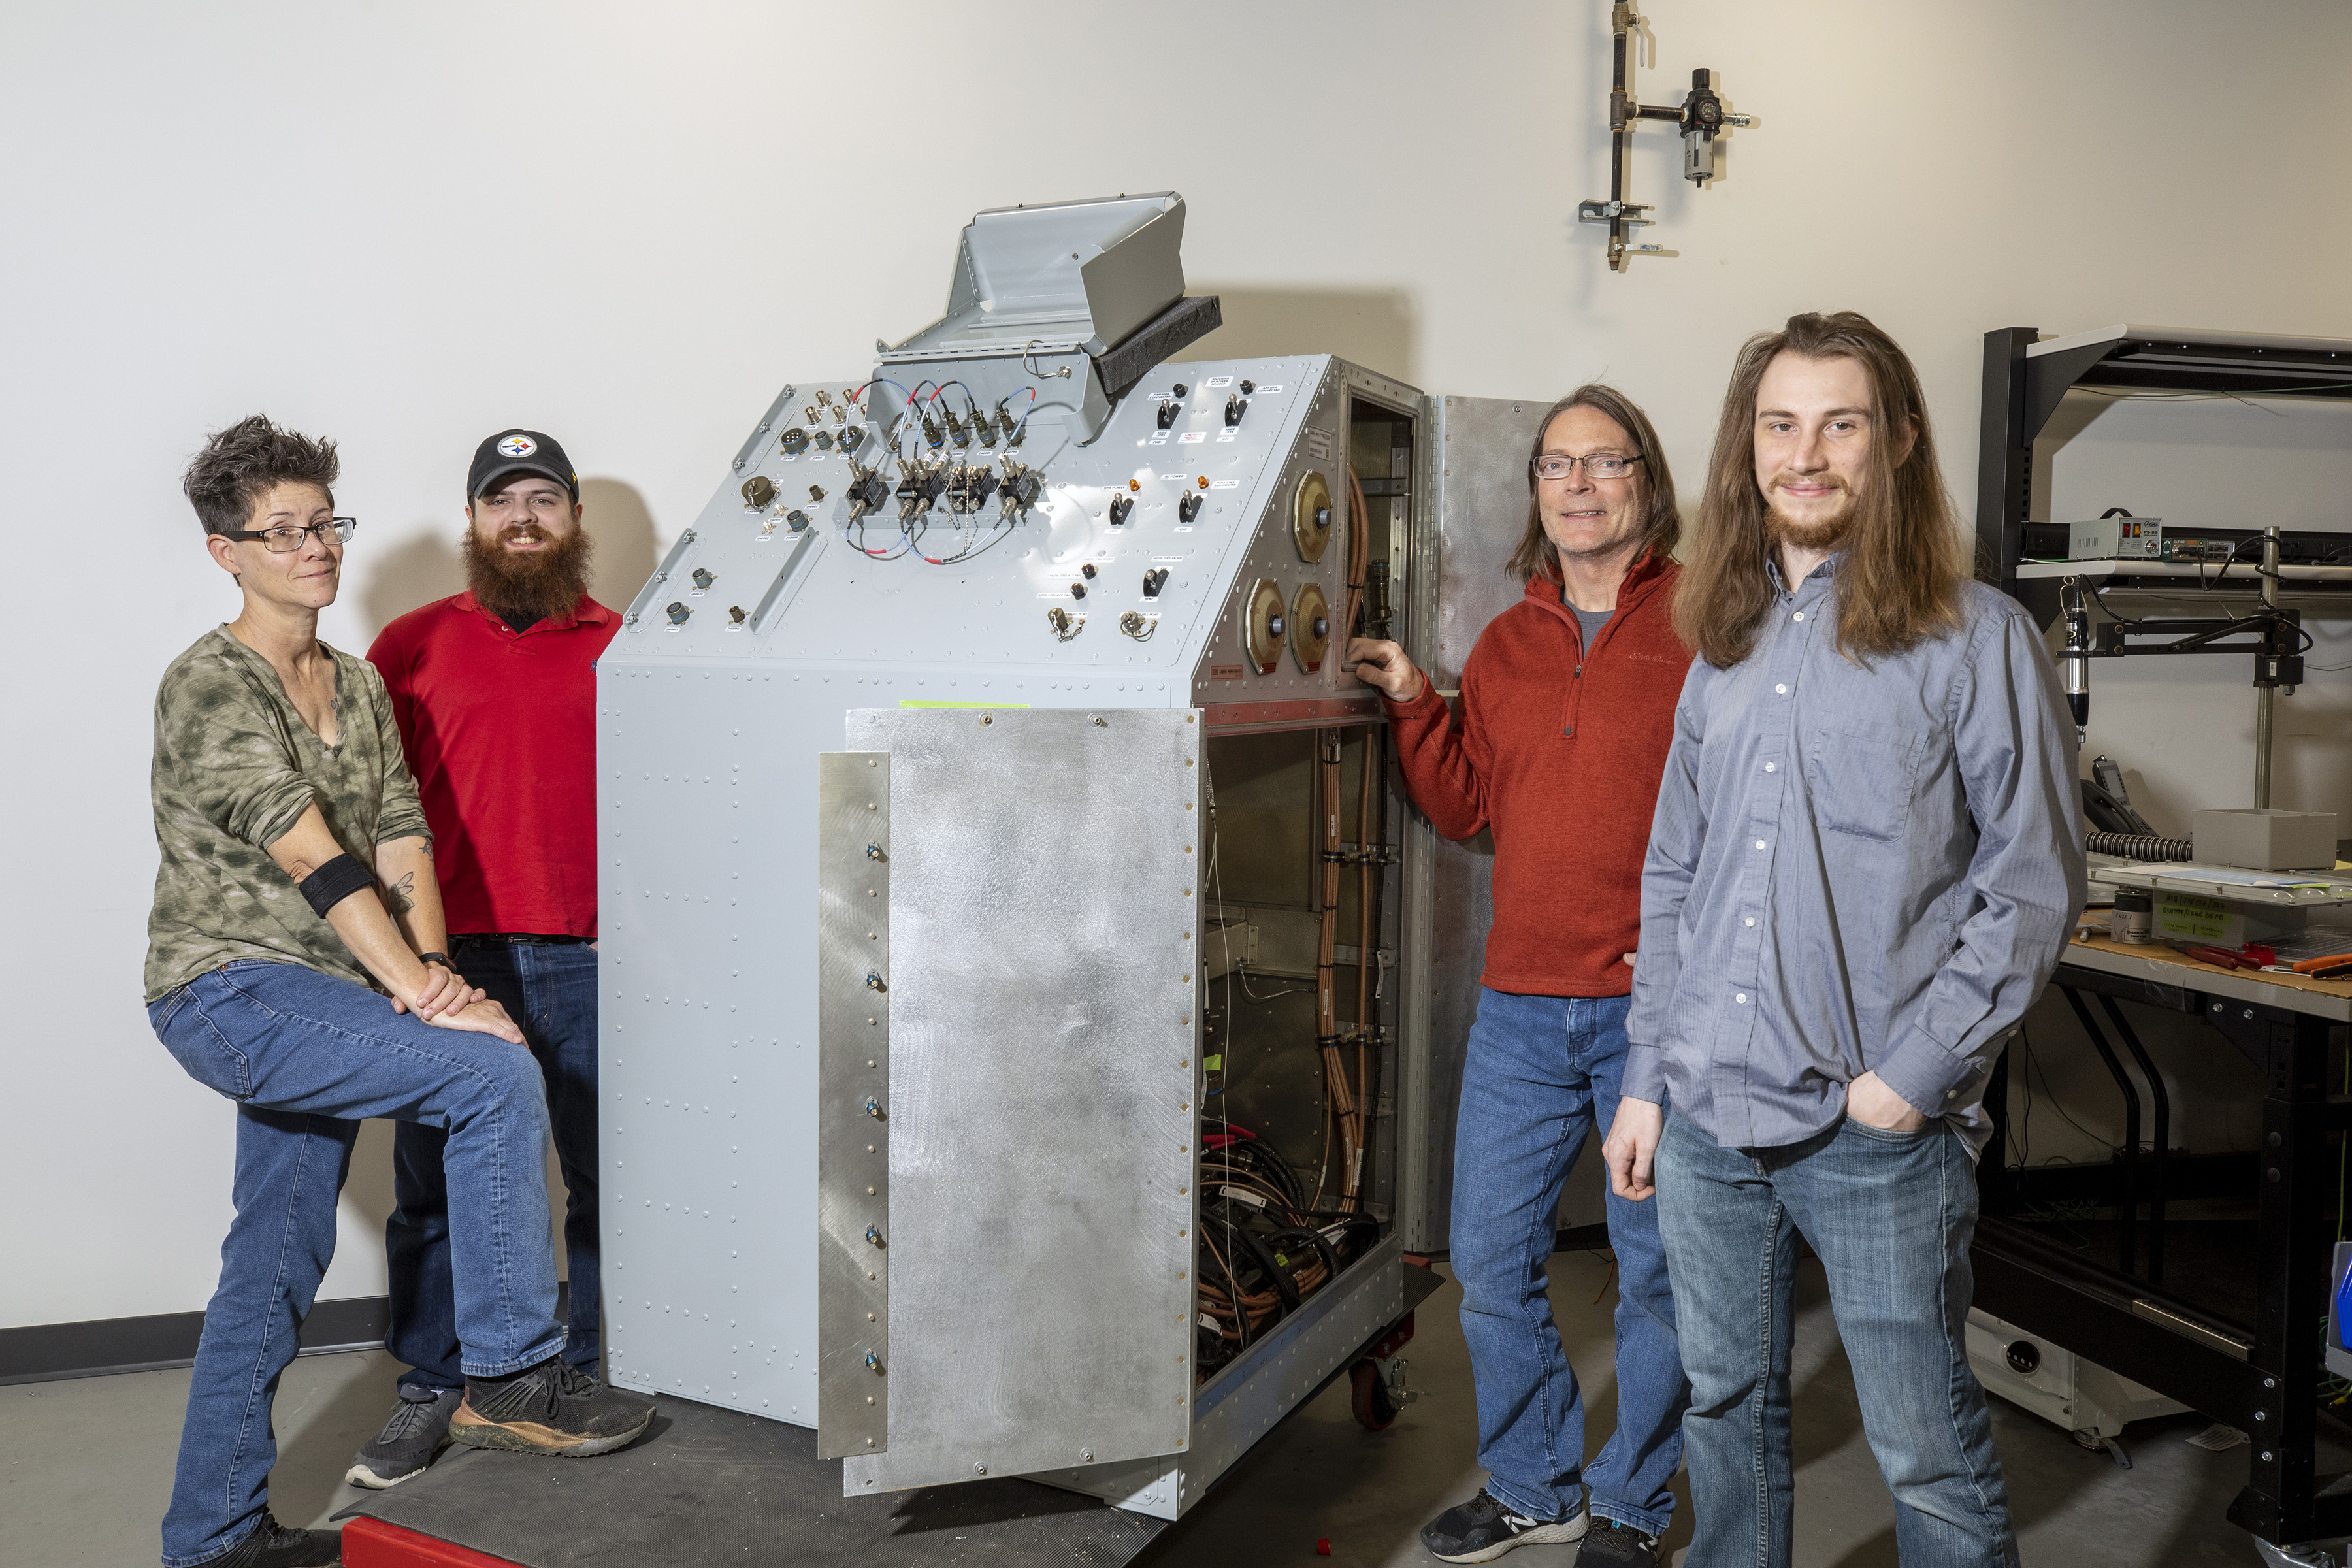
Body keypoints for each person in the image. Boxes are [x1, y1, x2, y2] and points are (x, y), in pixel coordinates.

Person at [1601, 313, 2083, 1568]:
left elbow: (2029, 887)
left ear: (1900, 440)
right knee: (1723, 1409)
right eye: (1779, 424)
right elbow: (1675, 878)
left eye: (1840, 423)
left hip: (1870, 1136)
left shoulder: (1976, 640)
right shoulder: (1724, 642)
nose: (1803, 453)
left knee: (1923, 1451)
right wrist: (1650, 1078)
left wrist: (1908, 1080)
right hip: (1707, 1113)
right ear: (1746, 447)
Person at [146, 416, 653, 1568]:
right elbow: (310, 850)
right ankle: (512, 1376)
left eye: (325, 521)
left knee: (273, 1261)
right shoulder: (212, 684)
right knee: (491, 1075)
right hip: (232, 991)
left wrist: (446, 979)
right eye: (283, 531)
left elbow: (402, 840)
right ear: (228, 551)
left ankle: (212, 1539)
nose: (315, 546)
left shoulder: (359, 684)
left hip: (330, 1002)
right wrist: (433, 993)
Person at [1350, 386, 1693, 1567]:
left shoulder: (1712, 628)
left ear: (1647, 480)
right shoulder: (1503, 646)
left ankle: (1638, 1501)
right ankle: (1536, 1485)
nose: (1580, 486)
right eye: (1557, 465)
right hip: (1520, 1008)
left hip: (1660, 1014)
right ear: (1536, 490)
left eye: (1605, 462)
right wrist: (1412, 702)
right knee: (1490, 1264)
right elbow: (1468, 808)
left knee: (1658, 1278)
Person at [348, 430, 619, 1489]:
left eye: (543, 498)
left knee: (606, 1183)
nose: (522, 518)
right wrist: (394, 960)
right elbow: (362, 809)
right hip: (447, 964)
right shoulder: (409, 647)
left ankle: (584, 1377)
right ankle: (435, 1389)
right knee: (436, 1192)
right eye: (501, 499)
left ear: (572, 519)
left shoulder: (627, 644)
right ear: (472, 522)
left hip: (593, 955)